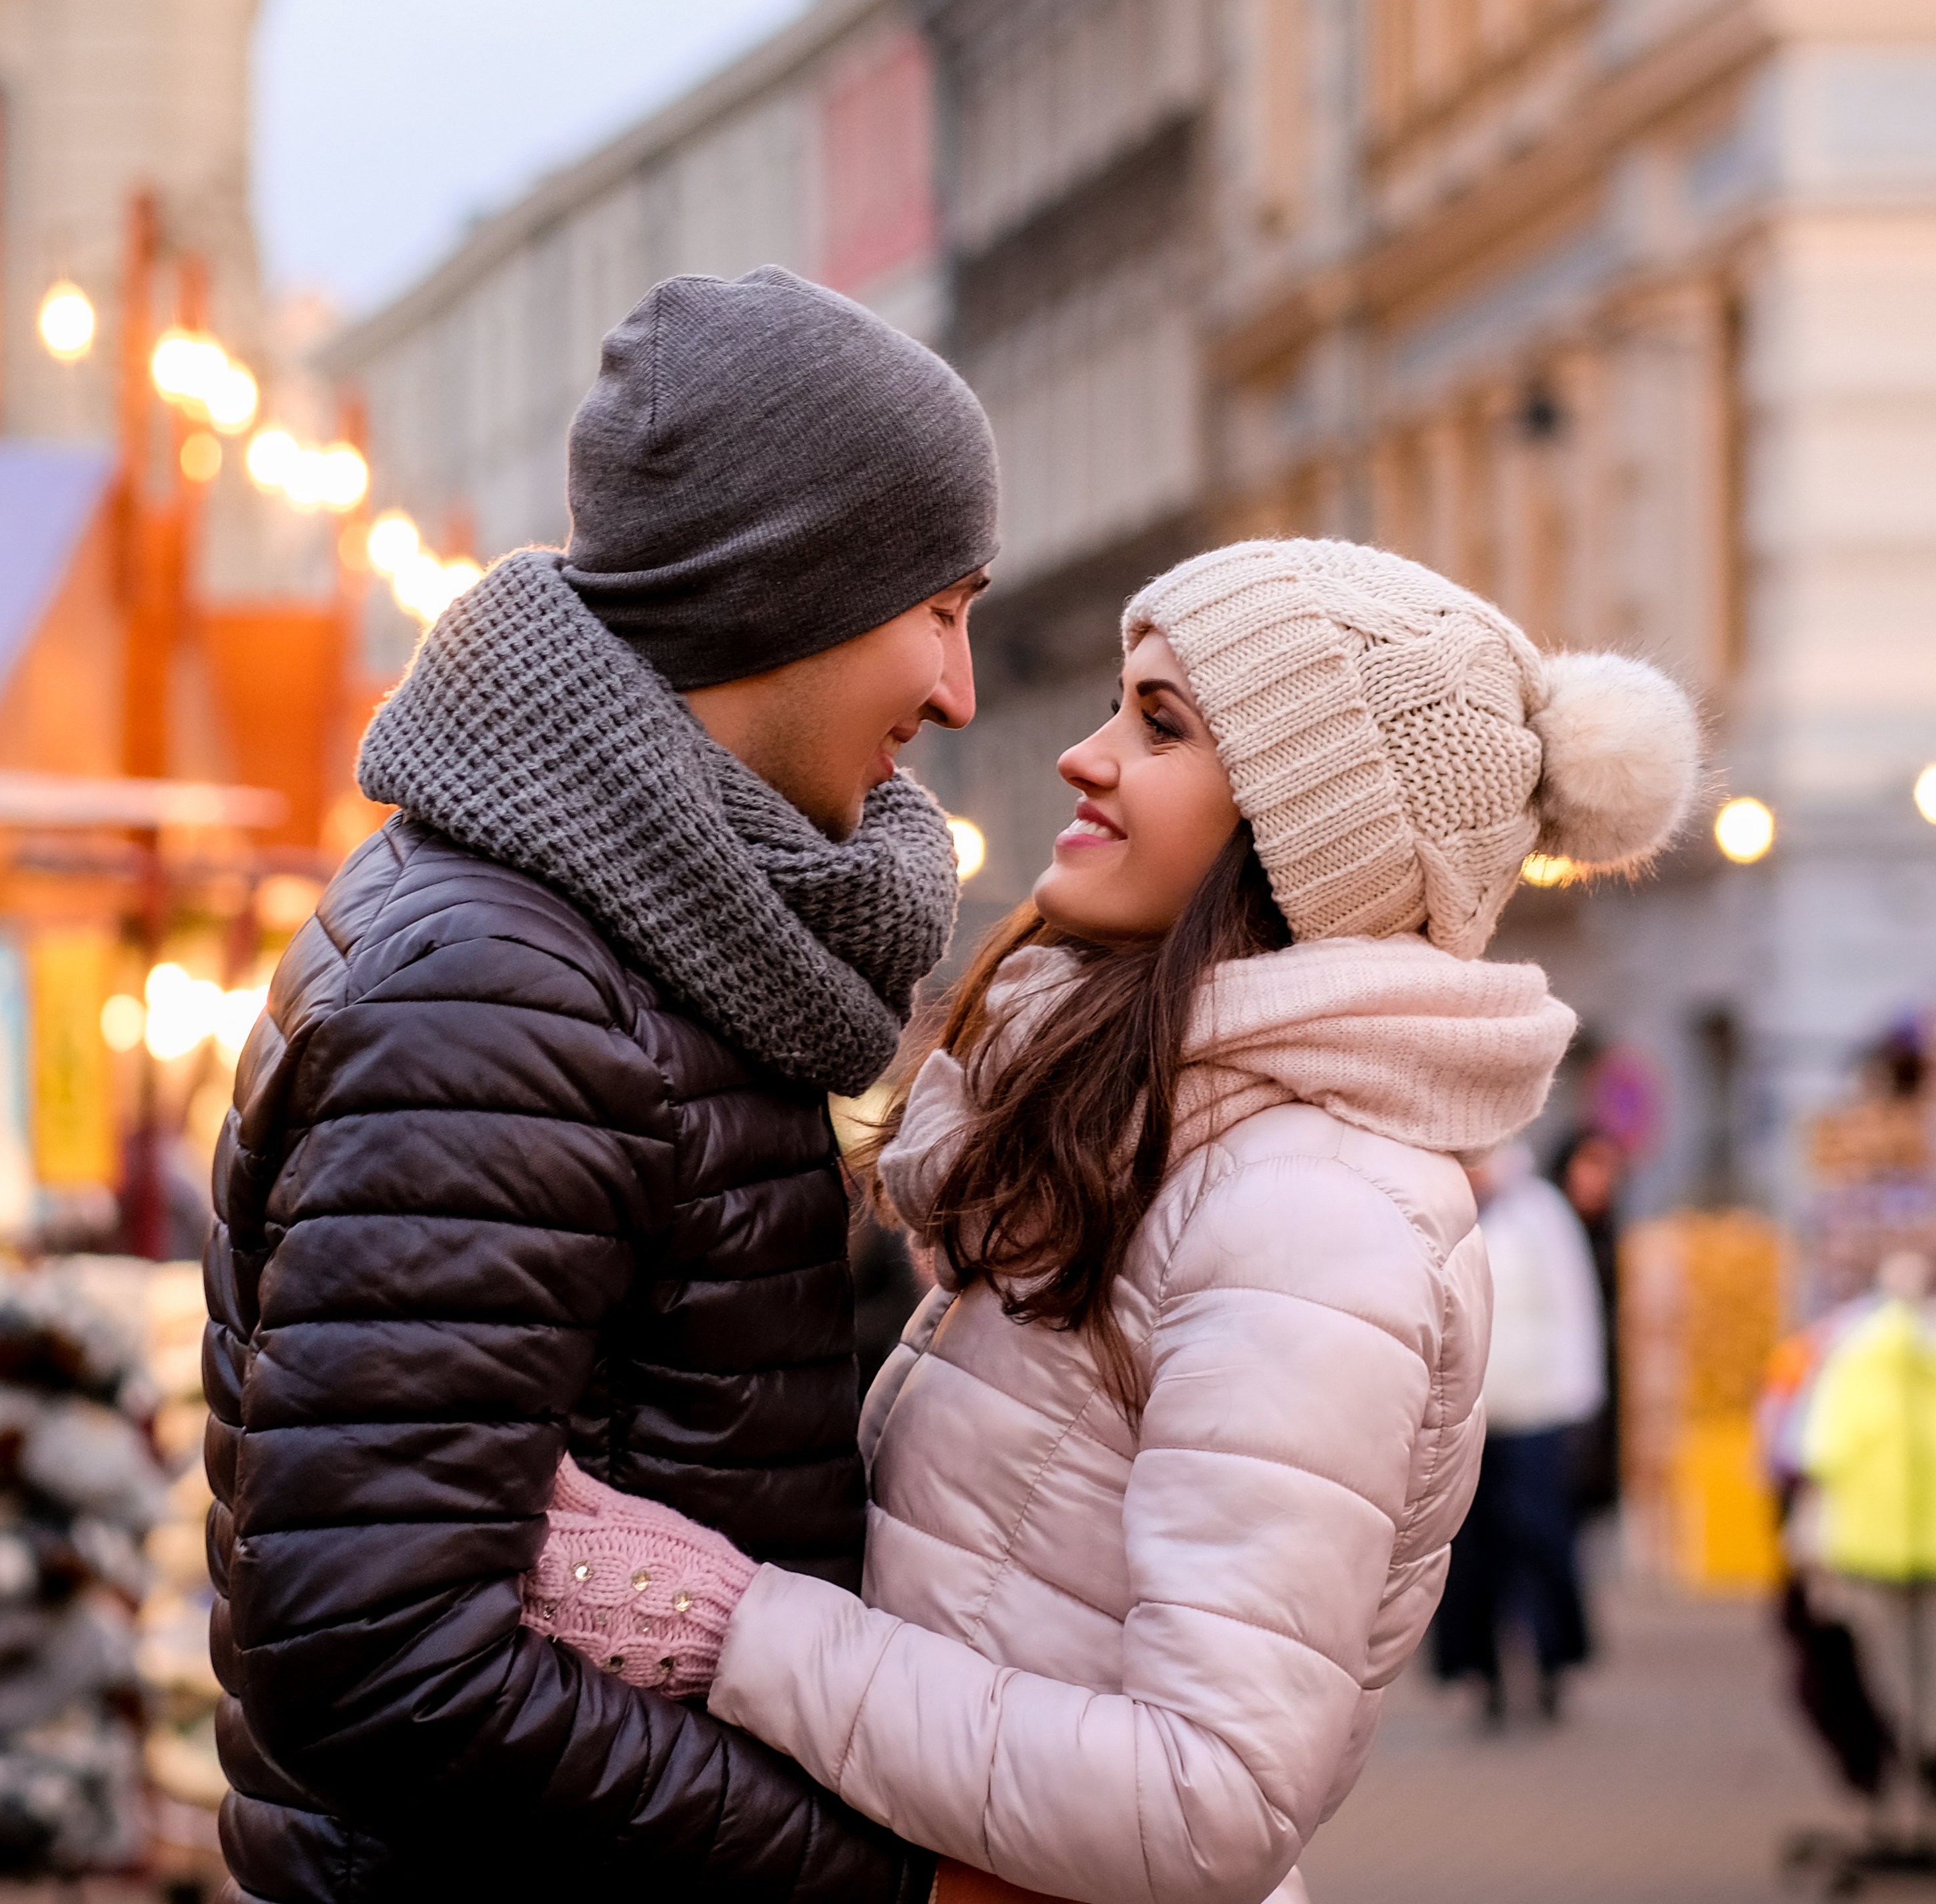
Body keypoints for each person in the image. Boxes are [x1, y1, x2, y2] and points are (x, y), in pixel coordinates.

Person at [516, 538, 1703, 1904]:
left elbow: (1205, 1805)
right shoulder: (1170, 1144)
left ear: (1301, 825)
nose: (1084, 757)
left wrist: (727, 1628)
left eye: (1158, 724)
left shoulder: (1309, 1215)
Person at [203, 267, 996, 1904]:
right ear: (792, 587)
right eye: (939, 604)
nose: (959, 688)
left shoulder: (657, 941)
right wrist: (864, 1877)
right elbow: (376, 1650)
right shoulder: (499, 990)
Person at [1428, 1138, 1605, 1723]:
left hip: (1534, 1411)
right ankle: (1478, 1673)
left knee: (1540, 1539)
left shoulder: (1541, 1214)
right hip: (1461, 1419)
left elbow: (1574, 1307)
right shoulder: (1436, 1209)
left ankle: (1557, 1661)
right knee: (1467, 1554)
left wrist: (1580, 1399)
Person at [1554, 1125, 1630, 1523]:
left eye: (1610, 1168)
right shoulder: (1544, 1228)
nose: (1600, 1179)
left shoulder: (1615, 1242)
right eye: (1592, 1163)